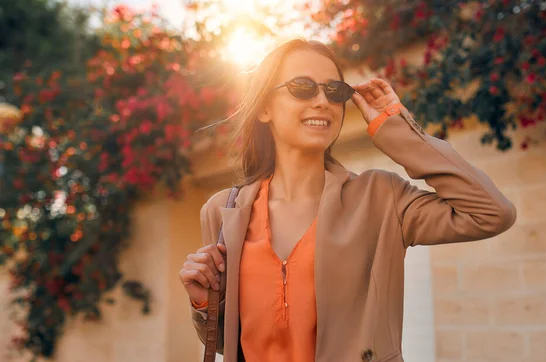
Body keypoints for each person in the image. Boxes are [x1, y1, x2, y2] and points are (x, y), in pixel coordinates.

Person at [179, 38, 516, 362]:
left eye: (335, 91)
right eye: (302, 87)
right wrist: (202, 303)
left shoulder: (381, 199)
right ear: (265, 108)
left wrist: (395, 130)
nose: (322, 101)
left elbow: (490, 212)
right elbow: (232, 343)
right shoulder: (224, 212)